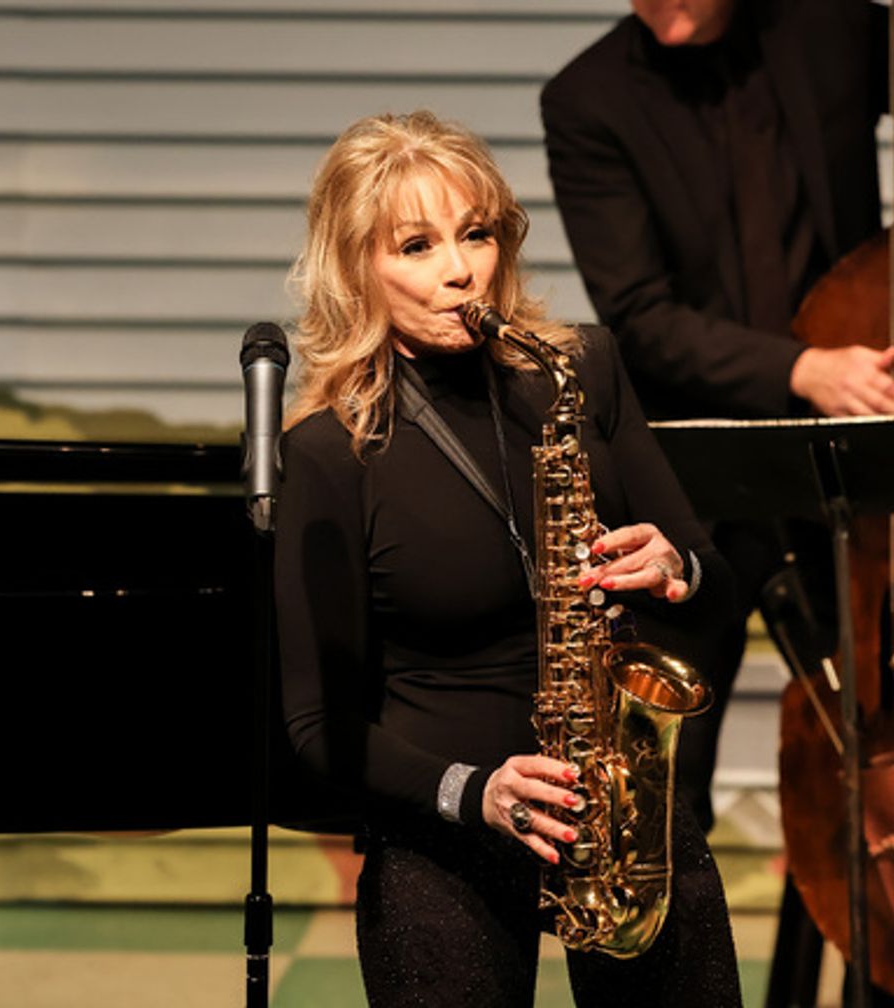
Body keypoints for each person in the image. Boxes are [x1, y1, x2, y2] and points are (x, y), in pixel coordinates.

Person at [541, 0, 894, 833]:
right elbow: (639, 315)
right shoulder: (586, 98)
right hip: (697, 483)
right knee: (662, 775)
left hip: (850, 472)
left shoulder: (834, 31)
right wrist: (800, 369)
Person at [274, 109, 743, 1008]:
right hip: (443, 824)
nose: (459, 271)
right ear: (354, 268)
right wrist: (474, 793)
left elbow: (714, 591)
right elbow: (313, 726)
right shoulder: (330, 455)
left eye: (476, 234)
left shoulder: (581, 369)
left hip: (622, 815)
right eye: (415, 245)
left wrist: (677, 566)